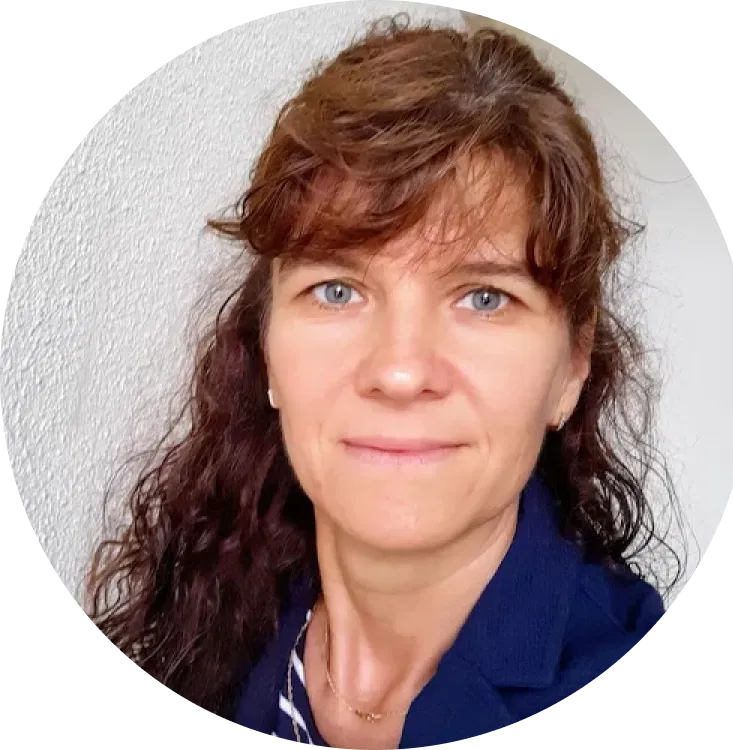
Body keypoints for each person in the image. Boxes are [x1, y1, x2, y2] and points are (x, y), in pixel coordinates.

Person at [87, 15, 682, 748]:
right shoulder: (208, 621)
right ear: (267, 351)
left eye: (484, 298)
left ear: (571, 368)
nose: (400, 372)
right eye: (337, 290)